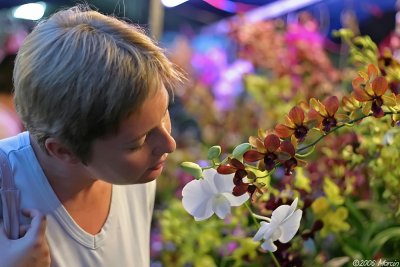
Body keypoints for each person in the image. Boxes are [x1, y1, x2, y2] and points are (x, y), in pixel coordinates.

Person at [0, 4, 183, 267]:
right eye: (139, 141)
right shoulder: (9, 185)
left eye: (165, 113)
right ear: (63, 150)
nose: (169, 144)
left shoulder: (136, 172)